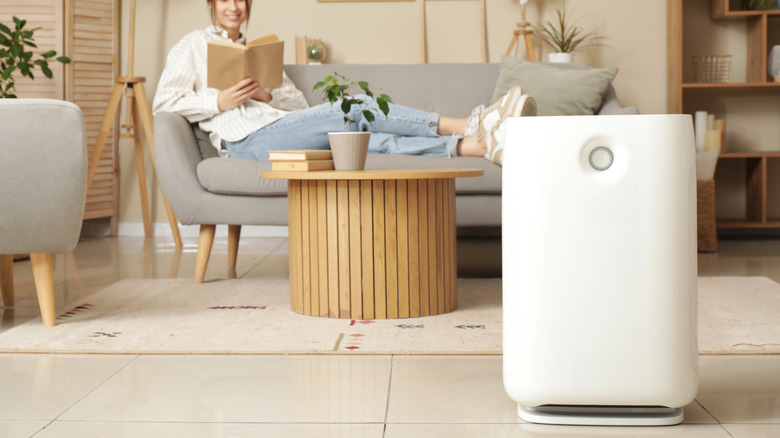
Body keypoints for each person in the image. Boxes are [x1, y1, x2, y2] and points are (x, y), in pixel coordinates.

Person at [152, 0, 536, 166]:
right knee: (352, 106)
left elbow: (299, 108)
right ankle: (469, 123)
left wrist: (266, 94)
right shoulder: (193, 45)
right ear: (211, 4)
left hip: (275, 128)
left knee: (367, 142)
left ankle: (479, 146)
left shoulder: (257, 51)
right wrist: (218, 103)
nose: (234, 7)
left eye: (241, 0)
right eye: (224, 0)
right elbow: (165, 102)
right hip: (244, 144)